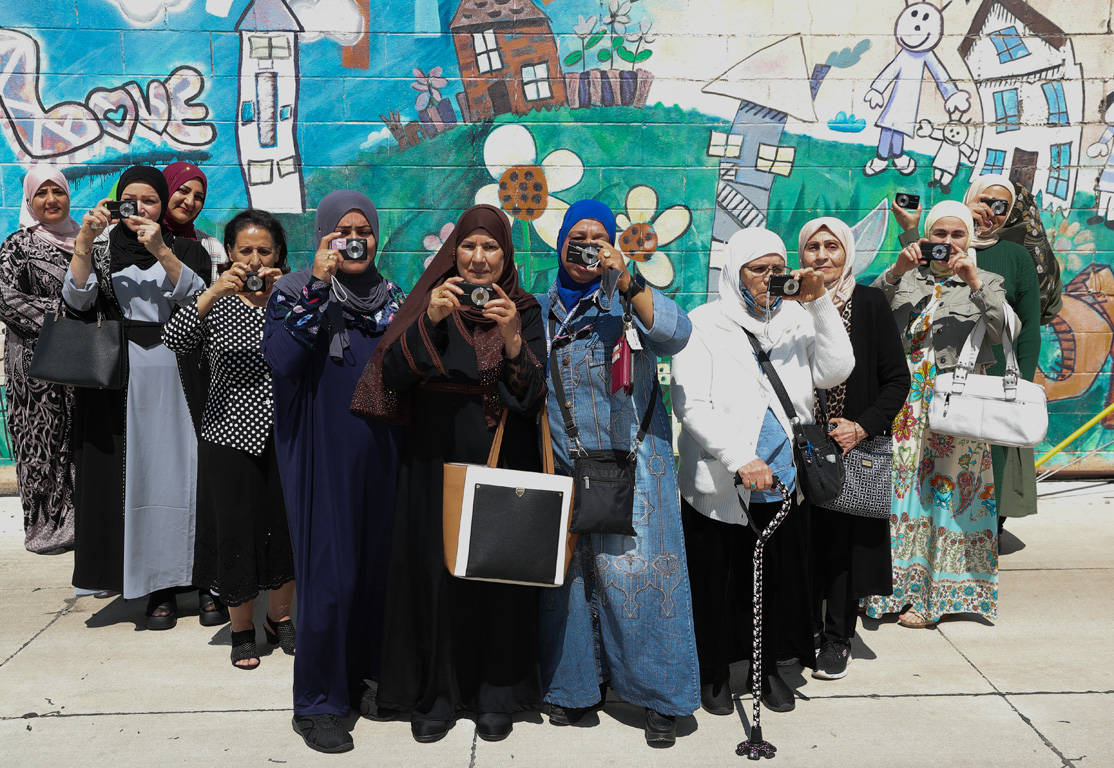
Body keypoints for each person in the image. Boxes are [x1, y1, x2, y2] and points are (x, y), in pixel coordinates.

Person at [355, 204, 547, 746]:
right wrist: (433, 320)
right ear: (453, 252)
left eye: (491, 248)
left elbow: (531, 397)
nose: (480, 258)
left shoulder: (524, 309)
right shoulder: (428, 304)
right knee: (434, 577)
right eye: (469, 247)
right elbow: (389, 375)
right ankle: (435, 696)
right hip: (433, 461)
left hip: (499, 456)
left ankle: (495, 695)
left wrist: (511, 335)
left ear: (505, 256)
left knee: (495, 574)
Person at [536, 200, 699, 746]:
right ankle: (574, 688)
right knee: (568, 579)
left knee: (643, 580)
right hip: (564, 463)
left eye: (597, 236)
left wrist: (627, 281)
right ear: (558, 243)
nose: (585, 246)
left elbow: (677, 335)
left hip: (636, 466)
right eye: (575, 236)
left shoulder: (629, 299)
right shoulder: (539, 308)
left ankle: (658, 698)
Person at [672, 228, 854, 714]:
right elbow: (691, 404)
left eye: (778, 268)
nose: (770, 278)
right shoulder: (704, 323)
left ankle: (766, 667)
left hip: (784, 478)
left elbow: (836, 371)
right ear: (736, 272)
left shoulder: (796, 318)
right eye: (759, 269)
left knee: (774, 579)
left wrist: (819, 305)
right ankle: (714, 671)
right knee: (718, 579)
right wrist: (738, 458)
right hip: (722, 479)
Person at [261, 190, 405, 754]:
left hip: (382, 452)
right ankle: (318, 701)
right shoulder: (294, 290)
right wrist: (319, 288)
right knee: (329, 578)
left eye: (364, 229)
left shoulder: (393, 295)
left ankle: (363, 679)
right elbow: (283, 362)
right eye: (342, 230)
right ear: (322, 236)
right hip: (323, 451)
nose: (355, 239)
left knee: (374, 573)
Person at [64, 165, 212, 627]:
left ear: (161, 203)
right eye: (131, 200)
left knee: (190, 476)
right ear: (117, 202)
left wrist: (161, 249)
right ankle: (158, 588)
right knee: (143, 480)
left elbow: (200, 298)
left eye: (150, 200)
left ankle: (206, 582)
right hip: (124, 380)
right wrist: (85, 244)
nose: (141, 209)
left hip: (182, 373)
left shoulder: (189, 248)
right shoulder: (104, 251)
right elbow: (77, 302)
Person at [163, 209, 296, 670]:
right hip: (227, 434)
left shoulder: (291, 296)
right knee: (235, 529)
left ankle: (280, 619)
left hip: (286, 434)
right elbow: (174, 340)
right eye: (246, 251)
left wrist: (290, 295)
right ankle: (242, 627)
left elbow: (316, 345)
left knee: (284, 527)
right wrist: (214, 290)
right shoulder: (216, 300)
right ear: (231, 255)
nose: (256, 260)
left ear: (278, 254)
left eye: (265, 250)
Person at [865, 201, 1006, 628]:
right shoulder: (907, 276)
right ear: (926, 237)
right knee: (898, 492)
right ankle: (889, 592)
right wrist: (893, 272)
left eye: (956, 235)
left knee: (947, 494)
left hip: (954, 402)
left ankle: (934, 598)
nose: (947, 243)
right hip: (904, 401)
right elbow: (865, 313)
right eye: (939, 235)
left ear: (969, 238)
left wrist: (974, 281)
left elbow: (1001, 330)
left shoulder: (989, 280)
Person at [796, 218, 910, 681]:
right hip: (799, 448)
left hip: (849, 449)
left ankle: (837, 635)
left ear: (847, 252)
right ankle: (800, 630)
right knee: (803, 544)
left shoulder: (868, 302)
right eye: (812, 247)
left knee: (842, 548)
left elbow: (897, 380)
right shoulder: (786, 304)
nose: (822, 256)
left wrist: (862, 427)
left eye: (832, 247)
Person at [0, 167, 79, 554]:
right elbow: (4, 297)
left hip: (81, 362)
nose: (51, 200)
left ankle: (84, 519)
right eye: (42, 193)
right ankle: (46, 528)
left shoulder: (85, 240)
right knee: (39, 441)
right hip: (34, 365)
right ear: (30, 201)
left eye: (58, 191)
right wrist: (63, 314)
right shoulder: (18, 245)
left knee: (79, 437)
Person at [964, 176, 1043, 526]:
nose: (991, 213)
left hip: (996, 377)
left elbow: (1028, 328)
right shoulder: (945, 242)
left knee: (993, 456)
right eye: (985, 201)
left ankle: (985, 535)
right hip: (946, 373)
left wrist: (1022, 385)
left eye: (1002, 207)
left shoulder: (1015, 255)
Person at [162, 161, 226, 281]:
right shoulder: (139, 237)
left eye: (198, 197)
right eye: (183, 191)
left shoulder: (212, 247)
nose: (190, 202)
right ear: (165, 190)